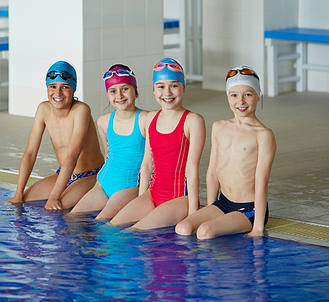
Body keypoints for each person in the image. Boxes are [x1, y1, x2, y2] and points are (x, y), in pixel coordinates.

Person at [175, 65, 277, 239]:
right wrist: (210, 207)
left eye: (248, 94)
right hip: (223, 202)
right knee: (182, 228)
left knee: (205, 231)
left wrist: (258, 228)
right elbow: (213, 173)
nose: (241, 101)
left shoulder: (263, 135)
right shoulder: (219, 127)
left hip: (248, 208)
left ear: (258, 96)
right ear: (228, 97)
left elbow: (262, 182)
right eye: (234, 95)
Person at [111, 57, 206, 230]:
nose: (167, 92)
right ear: (154, 90)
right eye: (161, 86)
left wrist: (193, 214)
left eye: (174, 85)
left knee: (134, 231)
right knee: (112, 228)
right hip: (153, 194)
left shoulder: (192, 121)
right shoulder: (151, 118)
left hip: (180, 199)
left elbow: (192, 170)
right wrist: (141, 198)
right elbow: (147, 163)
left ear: (184, 88)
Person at [8, 61, 104, 211]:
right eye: (53, 86)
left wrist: (54, 196)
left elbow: (72, 156)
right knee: (22, 202)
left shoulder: (81, 110)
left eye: (64, 87)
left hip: (90, 175)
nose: (57, 93)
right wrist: (18, 193)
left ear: (73, 89)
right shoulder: (43, 109)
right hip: (64, 174)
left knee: (59, 207)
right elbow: (30, 153)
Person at [71, 64, 149, 220]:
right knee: (72, 218)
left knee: (102, 222)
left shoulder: (146, 119)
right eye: (113, 91)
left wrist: (144, 193)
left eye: (125, 88)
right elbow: (107, 154)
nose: (119, 95)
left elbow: (152, 159)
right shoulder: (103, 121)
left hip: (129, 186)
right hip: (103, 183)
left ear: (136, 91)